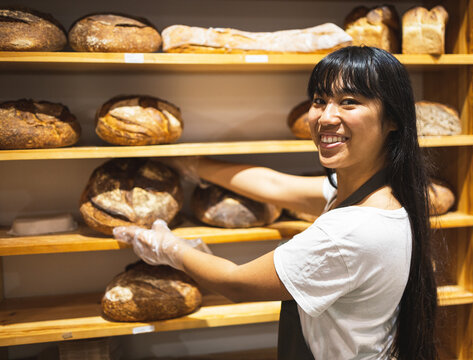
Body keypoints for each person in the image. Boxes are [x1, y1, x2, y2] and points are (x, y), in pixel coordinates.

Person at [113, 46, 438, 360]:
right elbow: (274, 184)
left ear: (393, 119)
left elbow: (236, 283)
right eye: (319, 100)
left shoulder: (350, 231)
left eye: (349, 102)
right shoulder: (379, 194)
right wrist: (193, 165)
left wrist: (168, 247)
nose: (326, 117)